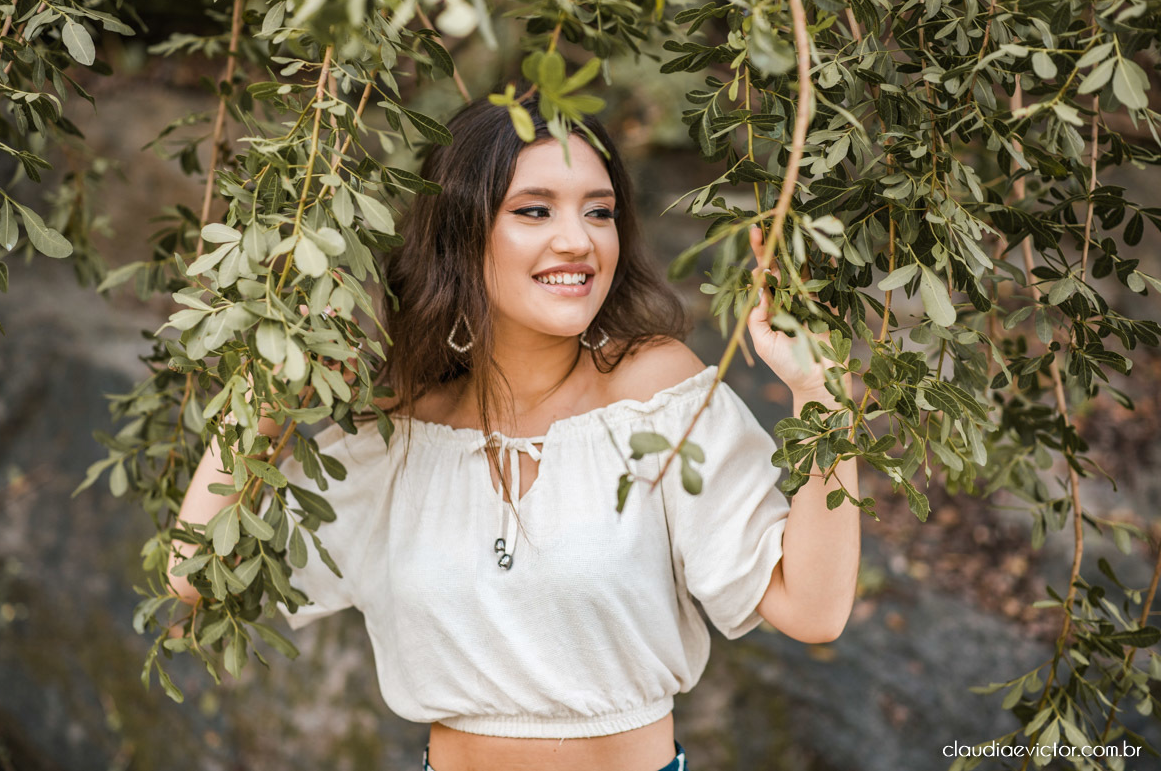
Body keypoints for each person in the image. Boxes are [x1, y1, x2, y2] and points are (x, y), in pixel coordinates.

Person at [168, 85, 860, 771]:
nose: (578, 240)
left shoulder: (655, 394)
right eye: (534, 210)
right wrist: (263, 391)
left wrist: (819, 391)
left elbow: (812, 608)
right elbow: (199, 572)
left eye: (600, 211)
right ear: (460, 235)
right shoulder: (402, 431)